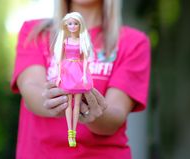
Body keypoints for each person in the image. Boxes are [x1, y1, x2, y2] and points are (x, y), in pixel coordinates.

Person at [11, 0, 150, 158]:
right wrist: (53, 99)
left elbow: (116, 114)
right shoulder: (35, 33)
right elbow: (31, 88)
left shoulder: (134, 42)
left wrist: (93, 109)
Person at [54, 12, 94, 147]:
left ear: (79, 25)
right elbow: (59, 60)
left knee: (76, 103)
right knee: (67, 103)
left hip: (77, 70)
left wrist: (84, 74)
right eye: (70, 23)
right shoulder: (65, 41)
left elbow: (86, 60)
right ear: (66, 25)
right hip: (67, 70)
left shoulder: (82, 40)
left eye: (75, 23)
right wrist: (59, 75)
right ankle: (69, 130)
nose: (73, 26)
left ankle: (73, 133)